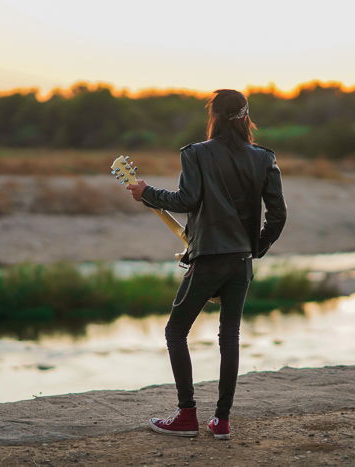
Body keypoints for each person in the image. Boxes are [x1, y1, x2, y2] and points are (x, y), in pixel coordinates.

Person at [126, 89, 287, 440]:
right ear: (246, 117)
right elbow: (278, 216)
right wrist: (254, 248)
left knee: (175, 332)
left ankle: (186, 416)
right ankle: (222, 421)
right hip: (241, 260)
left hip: (209, 257)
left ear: (212, 116)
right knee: (229, 336)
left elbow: (186, 200)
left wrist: (146, 192)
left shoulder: (196, 153)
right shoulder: (264, 158)